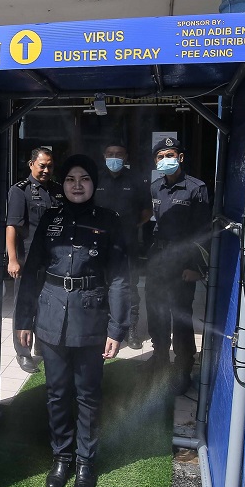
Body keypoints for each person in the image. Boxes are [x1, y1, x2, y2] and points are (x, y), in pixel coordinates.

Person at [14, 154, 130, 487]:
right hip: (51, 315)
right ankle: (62, 457)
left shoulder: (109, 221)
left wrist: (117, 328)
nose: (77, 185)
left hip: (91, 317)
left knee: (88, 394)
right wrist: (24, 319)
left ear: (94, 184)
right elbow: (32, 271)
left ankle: (85, 462)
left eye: (84, 179)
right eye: (70, 179)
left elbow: (120, 279)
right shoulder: (50, 218)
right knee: (57, 392)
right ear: (61, 184)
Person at [145, 137, 211, 395]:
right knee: (156, 311)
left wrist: (198, 267)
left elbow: (203, 232)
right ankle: (159, 358)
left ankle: (183, 367)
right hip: (159, 258)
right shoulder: (155, 188)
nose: (165, 160)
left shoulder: (196, 188)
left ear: (180, 158)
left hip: (183, 262)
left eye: (170, 155)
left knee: (180, 315)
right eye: (160, 157)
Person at [6, 147, 63, 373]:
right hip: (28, 258)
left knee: (48, 302)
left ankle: (42, 344)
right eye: (42, 165)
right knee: (25, 304)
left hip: (54, 258)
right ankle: (23, 353)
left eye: (50, 166)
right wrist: (12, 259)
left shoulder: (58, 190)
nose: (46, 170)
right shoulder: (20, 191)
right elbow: (12, 226)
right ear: (31, 165)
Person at [94, 141, 152, 350]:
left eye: (119, 154)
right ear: (104, 156)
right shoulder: (96, 178)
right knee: (100, 285)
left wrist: (129, 227)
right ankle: (103, 328)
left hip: (128, 244)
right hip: (99, 245)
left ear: (126, 157)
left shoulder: (136, 180)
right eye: (110, 154)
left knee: (129, 286)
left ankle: (131, 329)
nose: (114, 157)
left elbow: (147, 211)